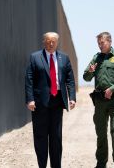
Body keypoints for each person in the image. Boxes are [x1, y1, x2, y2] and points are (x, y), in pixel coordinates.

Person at [25, 32, 76, 168]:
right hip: (40, 104)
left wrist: (72, 98)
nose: (51, 43)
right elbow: (29, 80)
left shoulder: (64, 58)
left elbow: (70, 80)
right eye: (48, 41)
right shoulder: (35, 57)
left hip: (57, 102)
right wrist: (30, 99)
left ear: (57, 42)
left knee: (56, 138)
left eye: (54, 41)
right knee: (41, 137)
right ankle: (42, 165)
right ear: (44, 41)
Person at [83, 32, 114, 168]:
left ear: (109, 41)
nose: (100, 46)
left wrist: (112, 89)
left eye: (102, 43)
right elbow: (86, 77)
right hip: (99, 101)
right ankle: (101, 164)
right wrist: (91, 71)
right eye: (98, 43)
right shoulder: (96, 58)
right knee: (101, 133)